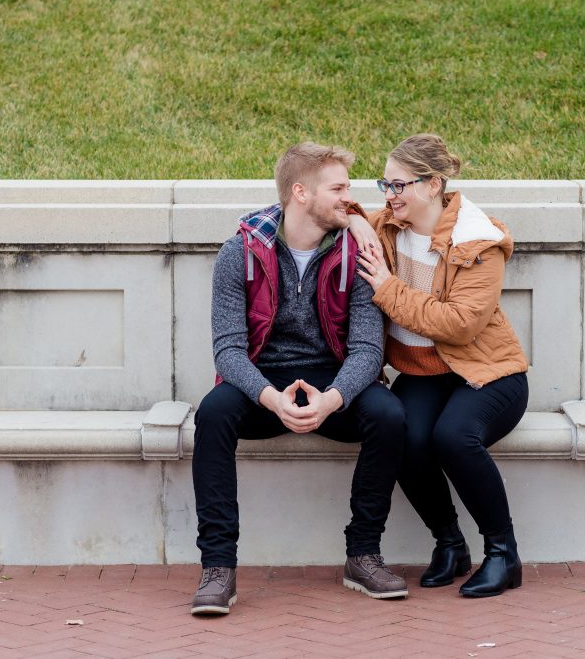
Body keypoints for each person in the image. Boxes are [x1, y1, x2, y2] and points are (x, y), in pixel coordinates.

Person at [190, 142, 408, 615]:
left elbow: (369, 351)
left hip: (334, 381)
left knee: (389, 415)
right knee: (212, 414)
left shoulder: (357, 251)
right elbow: (227, 351)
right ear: (301, 192)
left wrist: (333, 399)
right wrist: (270, 398)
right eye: (339, 189)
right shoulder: (240, 252)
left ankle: (363, 554)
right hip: (263, 383)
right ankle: (218, 567)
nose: (349, 199)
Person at [349, 133, 530, 598]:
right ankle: (449, 544)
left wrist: (387, 287)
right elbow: (340, 214)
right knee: (401, 434)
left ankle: (502, 553)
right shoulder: (388, 226)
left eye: (398, 186)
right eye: (384, 186)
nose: (388, 197)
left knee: (453, 436)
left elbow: (460, 324)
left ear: (432, 185)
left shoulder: (477, 241)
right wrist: (353, 222)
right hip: (425, 373)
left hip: (488, 373)